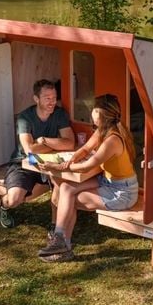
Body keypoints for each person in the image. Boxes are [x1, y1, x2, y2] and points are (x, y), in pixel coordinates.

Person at [38, 94, 139, 262]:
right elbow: (85, 149)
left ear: (101, 113)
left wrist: (59, 167)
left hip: (122, 191)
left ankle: (62, 243)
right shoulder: (103, 131)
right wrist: (73, 158)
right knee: (66, 188)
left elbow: (88, 165)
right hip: (108, 181)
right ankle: (61, 241)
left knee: (71, 198)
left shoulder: (112, 140)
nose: (91, 112)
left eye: (94, 109)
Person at [0, 79, 75, 229]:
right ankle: (4, 206)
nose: (52, 102)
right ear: (36, 99)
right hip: (23, 163)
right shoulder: (25, 117)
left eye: (54, 98)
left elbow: (70, 143)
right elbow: (29, 150)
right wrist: (55, 145)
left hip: (51, 162)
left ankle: (55, 227)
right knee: (15, 200)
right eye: (47, 98)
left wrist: (44, 141)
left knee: (59, 187)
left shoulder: (60, 114)